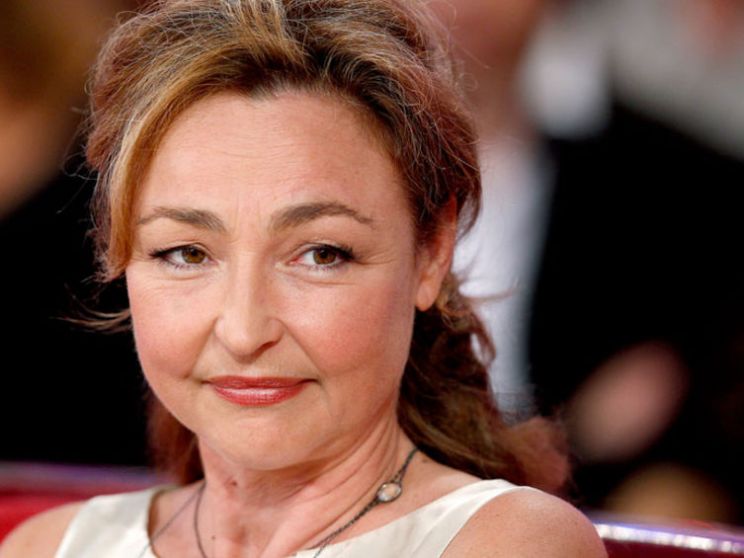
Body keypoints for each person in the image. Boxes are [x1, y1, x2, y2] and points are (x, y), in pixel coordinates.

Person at [0, 1, 606, 556]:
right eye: (186, 253)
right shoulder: (48, 548)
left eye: (320, 255)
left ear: (433, 251)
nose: (244, 331)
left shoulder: (510, 543)